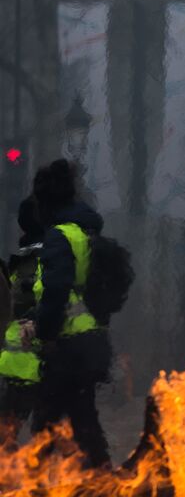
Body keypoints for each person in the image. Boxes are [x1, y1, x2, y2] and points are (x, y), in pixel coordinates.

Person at [17, 160, 112, 468]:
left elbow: (57, 292)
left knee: (46, 423)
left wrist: (41, 330)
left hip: (69, 346)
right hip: (91, 341)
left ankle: (38, 495)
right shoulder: (85, 232)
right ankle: (103, 485)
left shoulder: (60, 236)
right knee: (83, 421)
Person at [0, 197, 46, 448]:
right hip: (38, 365)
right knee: (47, 441)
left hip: (15, 365)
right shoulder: (47, 261)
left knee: (7, 437)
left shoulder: (20, 263)